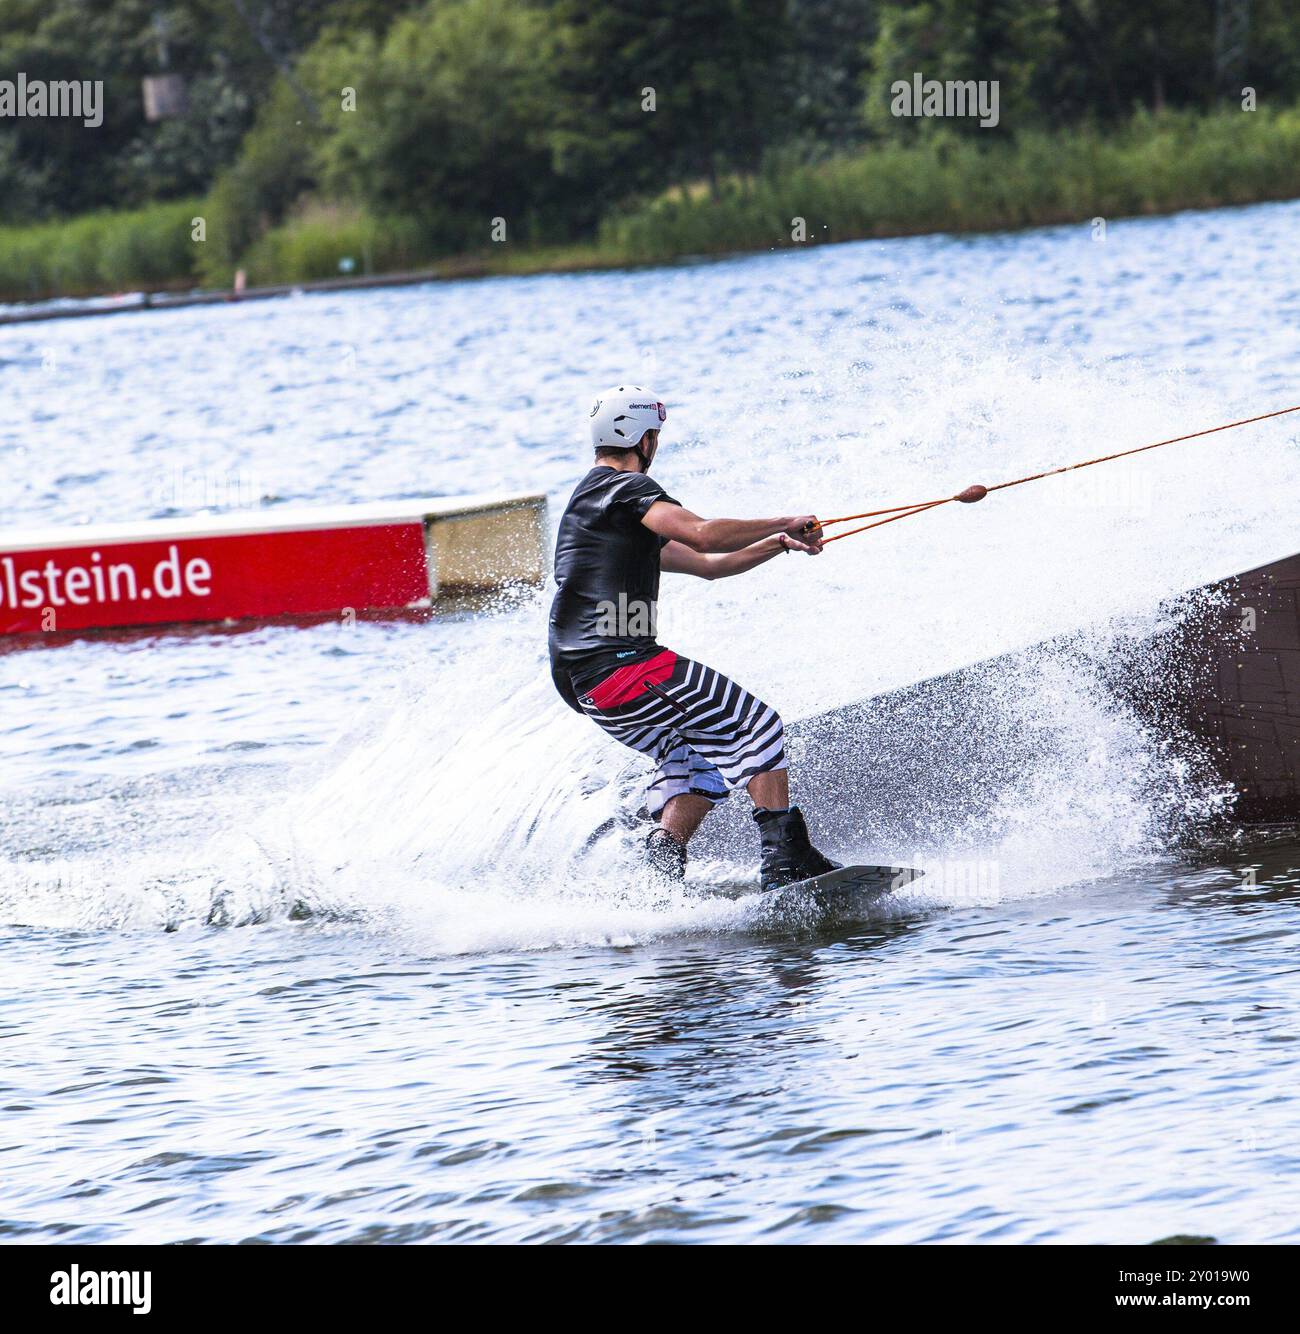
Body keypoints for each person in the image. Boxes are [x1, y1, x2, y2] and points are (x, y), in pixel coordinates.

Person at [548, 384, 840, 890]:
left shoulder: (595, 507)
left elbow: (708, 565)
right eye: (655, 436)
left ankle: (661, 866)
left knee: (698, 759)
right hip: (624, 666)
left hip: (589, 687)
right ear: (642, 439)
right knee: (758, 726)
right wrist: (784, 517)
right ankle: (786, 860)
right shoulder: (625, 490)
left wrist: (777, 543)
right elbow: (702, 534)